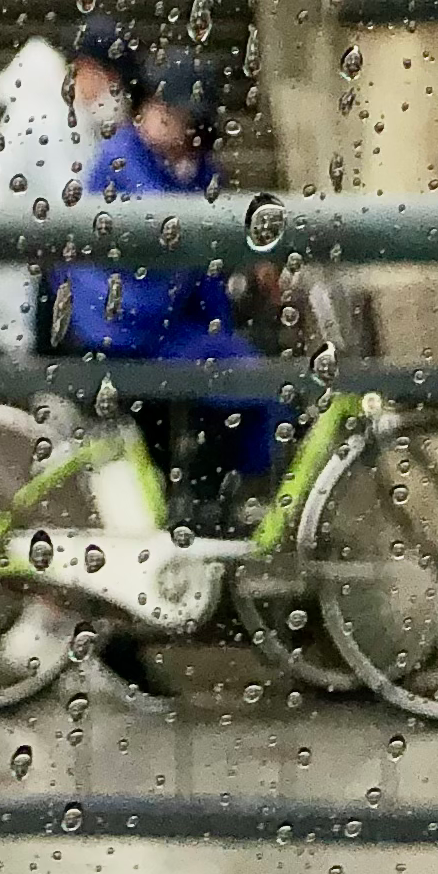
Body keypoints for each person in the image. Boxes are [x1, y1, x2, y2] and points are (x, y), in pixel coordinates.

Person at [63, 49, 270, 544]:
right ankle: (200, 507)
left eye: (169, 109)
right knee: (239, 380)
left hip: (156, 326)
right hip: (117, 327)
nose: (153, 116)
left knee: (240, 374)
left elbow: (206, 275)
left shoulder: (195, 172)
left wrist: (224, 323)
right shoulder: (124, 161)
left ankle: (210, 502)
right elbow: (167, 238)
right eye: (154, 105)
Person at [0, 12, 144, 353]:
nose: (115, 95)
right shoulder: (46, 117)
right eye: (110, 80)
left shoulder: (61, 114)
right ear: (84, 69)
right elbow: (71, 203)